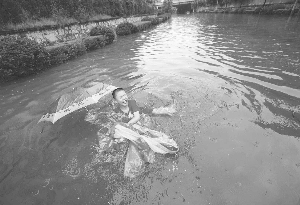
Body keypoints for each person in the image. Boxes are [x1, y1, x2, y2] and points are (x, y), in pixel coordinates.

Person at [112, 88, 176, 126]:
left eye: (124, 95)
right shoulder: (116, 110)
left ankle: (173, 104)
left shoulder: (131, 102)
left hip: (143, 110)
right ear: (116, 100)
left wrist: (127, 125)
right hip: (136, 116)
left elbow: (137, 117)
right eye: (121, 97)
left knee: (159, 111)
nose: (124, 98)